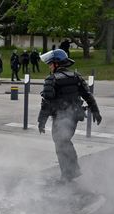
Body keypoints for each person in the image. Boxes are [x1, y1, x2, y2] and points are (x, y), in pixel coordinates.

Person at [37, 49, 102, 183]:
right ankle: (70, 172)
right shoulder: (76, 76)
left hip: (60, 117)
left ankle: (69, 173)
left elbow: (46, 103)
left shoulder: (52, 79)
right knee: (64, 141)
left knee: (61, 143)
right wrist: (96, 111)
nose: (49, 66)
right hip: (74, 116)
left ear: (56, 64)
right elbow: (87, 95)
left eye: (50, 64)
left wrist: (41, 121)